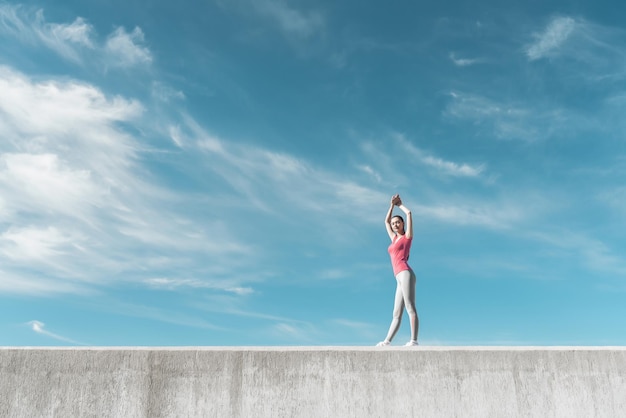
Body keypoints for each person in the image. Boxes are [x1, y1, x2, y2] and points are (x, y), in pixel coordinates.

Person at [377, 193, 419, 346]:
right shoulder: (394, 239)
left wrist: (400, 205)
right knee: (396, 313)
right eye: (394, 223)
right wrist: (391, 205)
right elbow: (386, 221)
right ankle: (387, 341)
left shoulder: (407, 237)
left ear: (402, 224)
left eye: (398, 222)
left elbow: (409, 213)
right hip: (398, 277)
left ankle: (414, 340)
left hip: (405, 273)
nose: (394, 224)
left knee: (410, 306)